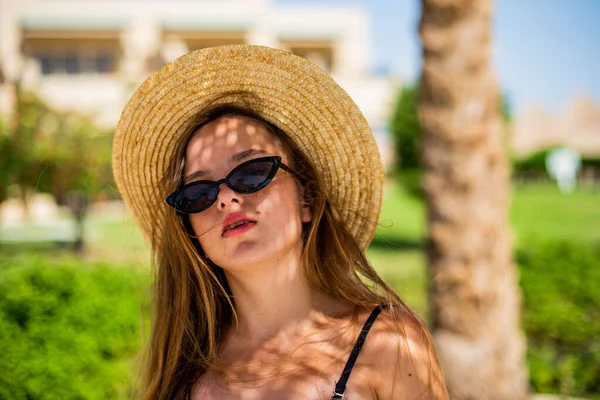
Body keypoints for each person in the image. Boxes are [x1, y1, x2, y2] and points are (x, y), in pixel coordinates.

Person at [113, 45, 448, 400]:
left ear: (307, 199)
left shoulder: (389, 342)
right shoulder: (184, 370)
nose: (226, 198)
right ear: (190, 229)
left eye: (252, 172)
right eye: (199, 192)